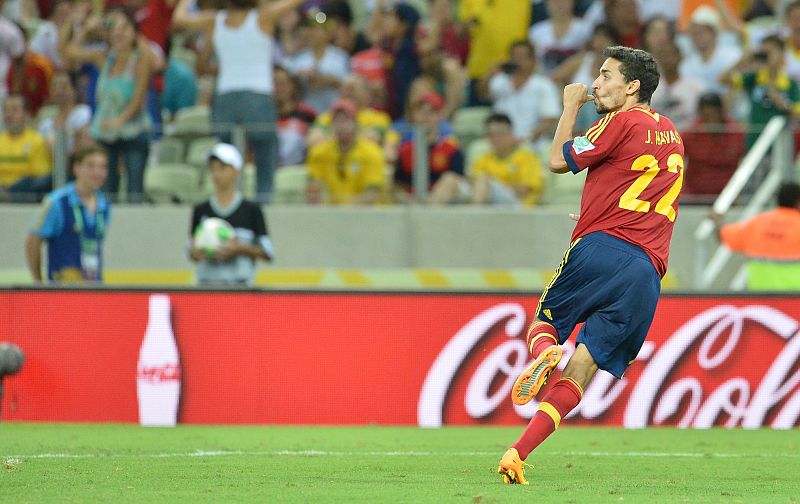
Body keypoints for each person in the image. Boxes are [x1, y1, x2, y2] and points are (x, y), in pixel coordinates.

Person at [497, 46, 684, 484]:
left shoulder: (620, 120)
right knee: (583, 371)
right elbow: (641, 189)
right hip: (646, 272)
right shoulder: (672, 132)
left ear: (632, 86)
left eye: (605, 76)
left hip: (603, 249)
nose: (596, 85)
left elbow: (559, 160)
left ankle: (546, 354)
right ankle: (517, 454)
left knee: (543, 324)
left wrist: (568, 107)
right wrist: (596, 209)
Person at [172, 0, 305, 203]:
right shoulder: (263, 17)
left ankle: (229, 204)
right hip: (257, 97)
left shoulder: (215, 20)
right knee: (265, 156)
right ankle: (263, 206)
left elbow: (180, 19)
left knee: (227, 159)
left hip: (226, 98)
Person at [59, 7, 154, 203]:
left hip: (133, 130)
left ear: (134, 32)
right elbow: (64, 50)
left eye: (124, 28)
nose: (118, 33)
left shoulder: (141, 59)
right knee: (106, 191)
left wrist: (118, 121)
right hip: (106, 132)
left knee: (134, 191)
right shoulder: (103, 59)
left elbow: (138, 98)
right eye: (114, 29)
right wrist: (79, 25)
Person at [189, 142, 274, 286]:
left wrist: (240, 248)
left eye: (222, 168)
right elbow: (190, 251)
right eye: (212, 168)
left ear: (236, 171)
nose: (216, 174)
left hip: (239, 288)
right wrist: (200, 251)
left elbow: (267, 252)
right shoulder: (201, 210)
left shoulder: (251, 209)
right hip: (206, 287)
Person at [25, 144, 110, 283]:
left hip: (94, 288)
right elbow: (33, 241)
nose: (97, 172)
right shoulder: (57, 202)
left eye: (103, 167)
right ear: (77, 168)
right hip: (63, 290)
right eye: (91, 166)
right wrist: (38, 282)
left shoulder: (104, 205)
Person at [711, 182, 800, 291]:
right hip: (794, 299)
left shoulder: (758, 222)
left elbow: (722, 235)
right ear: (798, 203)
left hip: (760, 300)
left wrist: (717, 220)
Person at [306, 98, 386, 205]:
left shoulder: (372, 152)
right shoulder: (319, 153)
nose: (341, 126)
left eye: (345, 120)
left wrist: (342, 211)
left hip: (365, 216)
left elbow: (371, 194)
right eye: (337, 120)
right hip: (330, 214)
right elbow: (313, 189)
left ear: (356, 123)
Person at [681, 92, 745, 204]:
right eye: (706, 115)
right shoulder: (691, 132)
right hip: (694, 194)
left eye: (713, 114)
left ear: (721, 112)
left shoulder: (735, 131)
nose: (710, 119)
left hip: (727, 194)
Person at [469, 113, 544, 206]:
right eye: (491, 135)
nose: (495, 139)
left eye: (499, 134)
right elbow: (472, 182)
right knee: (450, 180)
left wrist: (493, 186)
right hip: (489, 200)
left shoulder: (526, 157)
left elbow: (526, 189)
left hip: (517, 204)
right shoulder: (483, 159)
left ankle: (474, 216)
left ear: (510, 134)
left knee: (483, 181)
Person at [0, 94, 52, 202]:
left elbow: (38, 176)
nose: (9, 115)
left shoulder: (37, 140)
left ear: (26, 114)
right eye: (6, 110)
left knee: (31, 181)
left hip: (25, 194)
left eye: (14, 110)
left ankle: (8, 195)